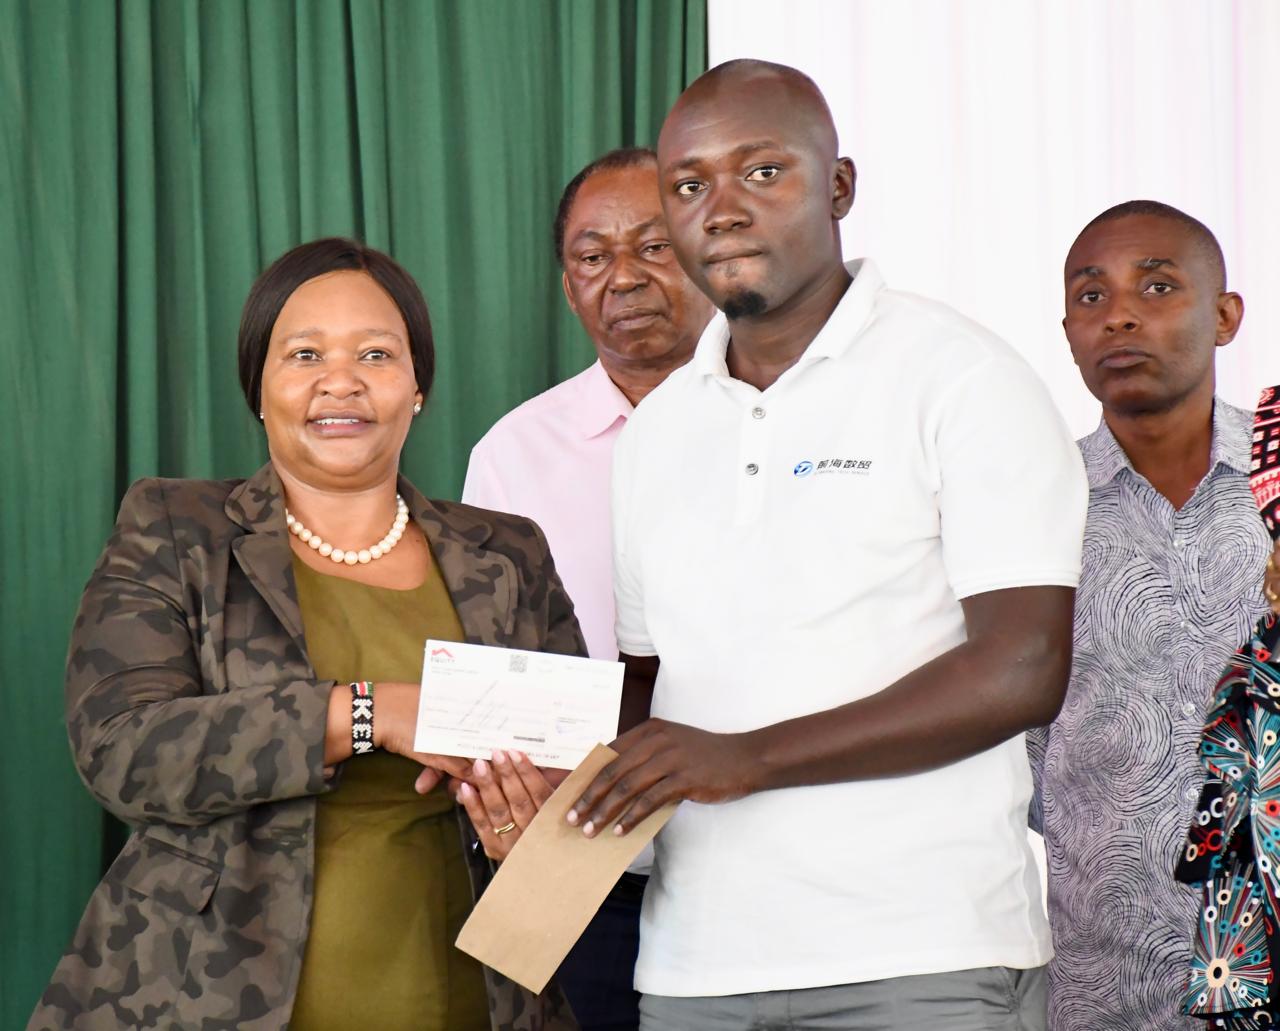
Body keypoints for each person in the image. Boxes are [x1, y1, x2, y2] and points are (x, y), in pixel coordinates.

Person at [566, 59, 1088, 1030]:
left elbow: (1021, 665)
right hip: (694, 968)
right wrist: (536, 773)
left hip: (920, 955)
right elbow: (651, 690)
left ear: (838, 184)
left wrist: (747, 757)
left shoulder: (961, 378)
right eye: (688, 185)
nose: (719, 208)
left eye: (761, 172)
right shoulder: (656, 432)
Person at [30, 239, 582, 1031]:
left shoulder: (508, 553)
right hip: (200, 999)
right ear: (260, 386)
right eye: (304, 354)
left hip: (473, 999)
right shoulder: (176, 530)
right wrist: (372, 711)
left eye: (376, 353)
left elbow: (579, 814)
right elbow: (122, 748)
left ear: (417, 384)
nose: (341, 380)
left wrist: (531, 838)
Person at [462, 148, 712, 1029]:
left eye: (654, 245)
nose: (626, 276)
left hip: (756, 853)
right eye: (593, 256)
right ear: (569, 287)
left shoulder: (788, 421)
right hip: (569, 857)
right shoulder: (511, 453)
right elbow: (486, 671)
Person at [1027, 200, 1269, 1030]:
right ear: (1067, 332)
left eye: (1158, 285)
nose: (1120, 314)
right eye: (1091, 298)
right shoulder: (1031, 512)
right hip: (1101, 982)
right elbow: (1011, 749)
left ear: (1225, 316)